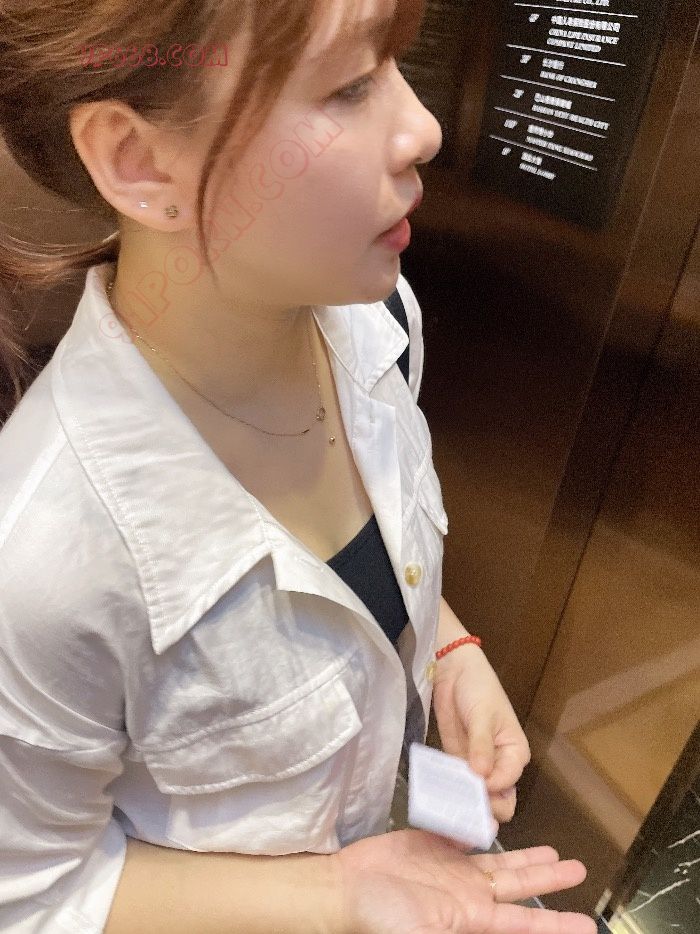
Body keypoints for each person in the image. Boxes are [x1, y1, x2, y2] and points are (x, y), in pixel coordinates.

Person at [0, 1, 598, 931]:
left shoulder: (379, 319)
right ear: (139, 160)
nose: (424, 129)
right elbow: (37, 897)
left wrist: (447, 651)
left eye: (394, 64)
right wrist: (336, 898)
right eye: (350, 86)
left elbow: (367, 556)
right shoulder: (42, 562)